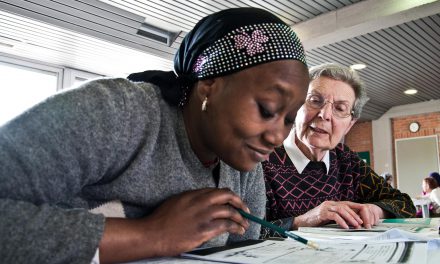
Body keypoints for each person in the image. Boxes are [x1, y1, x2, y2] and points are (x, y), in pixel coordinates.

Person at [0, 8, 310, 264]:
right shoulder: (116, 113)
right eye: (268, 109)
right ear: (209, 84)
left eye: (289, 120)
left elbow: (242, 252)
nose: (276, 136)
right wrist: (153, 234)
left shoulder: (243, 163)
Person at [262, 63, 416, 236]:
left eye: (340, 108)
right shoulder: (262, 158)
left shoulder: (347, 160)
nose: (325, 114)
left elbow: (405, 204)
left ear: (349, 125)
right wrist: (302, 221)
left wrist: (375, 210)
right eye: (315, 100)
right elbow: (241, 233)